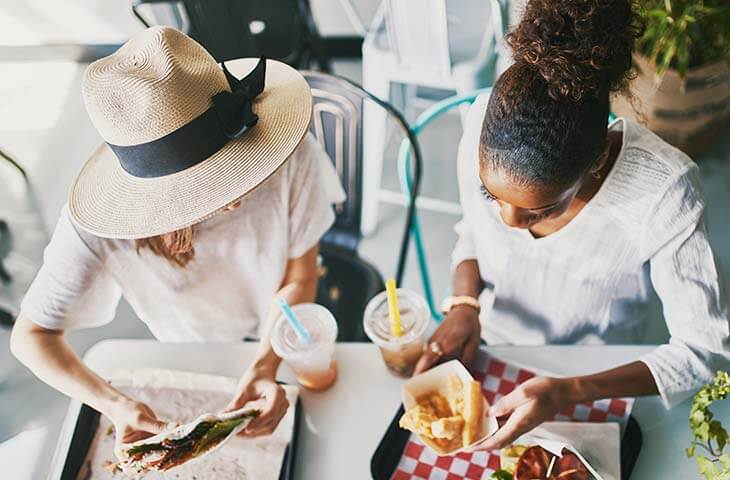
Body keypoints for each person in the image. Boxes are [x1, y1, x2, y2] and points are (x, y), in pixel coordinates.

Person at [415, 0, 730, 449]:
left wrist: (570, 390)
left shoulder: (665, 193)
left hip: (599, 370)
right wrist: (465, 303)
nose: (509, 222)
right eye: (493, 197)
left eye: (540, 212)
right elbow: (473, 233)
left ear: (598, 160)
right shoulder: (485, 125)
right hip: (495, 348)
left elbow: (704, 351)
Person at [10, 27, 343, 445]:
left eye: (240, 164)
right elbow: (31, 337)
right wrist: (114, 403)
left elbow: (300, 274)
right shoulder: (100, 224)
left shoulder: (294, 157)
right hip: (190, 344)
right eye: (207, 185)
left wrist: (264, 364)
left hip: (275, 331)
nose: (236, 197)